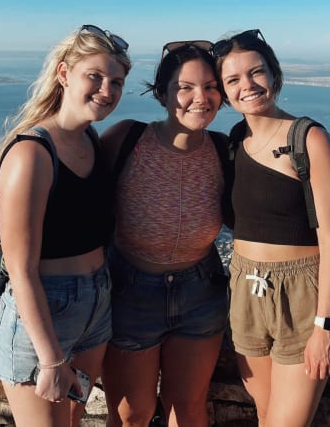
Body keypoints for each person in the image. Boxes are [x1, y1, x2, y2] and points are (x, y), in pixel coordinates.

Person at [0, 24, 131, 427]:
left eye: (116, 82)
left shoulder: (92, 142)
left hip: (96, 306)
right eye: (95, 77)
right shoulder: (32, 153)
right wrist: (49, 357)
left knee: (72, 421)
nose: (107, 90)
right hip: (44, 311)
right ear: (64, 74)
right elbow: (20, 268)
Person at [212, 29, 330, 426]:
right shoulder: (235, 141)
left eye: (256, 73)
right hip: (245, 290)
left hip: (301, 294)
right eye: (233, 79)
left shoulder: (308, 139)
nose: (247, 86)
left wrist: (326, 327)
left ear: (275, 75)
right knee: (266, 416)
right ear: (222, 90)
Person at [100, 41, 230, 427]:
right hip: (131, 290)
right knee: (131, 415)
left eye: (210, 86)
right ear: (161, 94)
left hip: (201, 291)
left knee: (188, 409)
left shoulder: (224, 151)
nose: (200, 98)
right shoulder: (127, 140)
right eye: (184, 87)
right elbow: (79, 201)